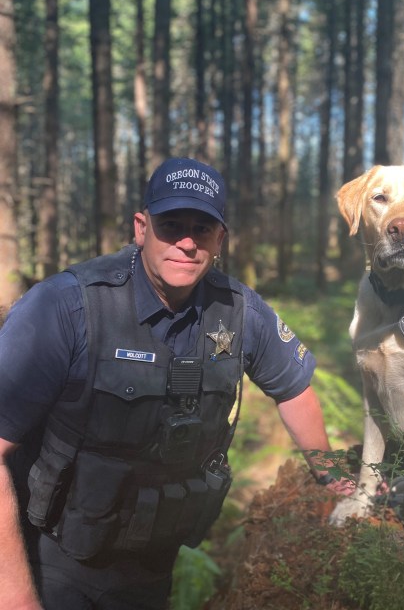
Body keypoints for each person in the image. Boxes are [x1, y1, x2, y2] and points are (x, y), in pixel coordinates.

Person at [0, 157, 353, 610]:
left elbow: (295, 389)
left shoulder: (239, 311)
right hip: (52, 562)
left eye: (202, 228)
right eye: (171, 225)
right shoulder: (66, 306)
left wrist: (334, 475)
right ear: (141, 228)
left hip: (150, 566)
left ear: (220, 239)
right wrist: (17, 601)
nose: (186, 242)